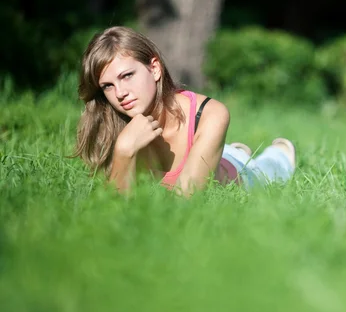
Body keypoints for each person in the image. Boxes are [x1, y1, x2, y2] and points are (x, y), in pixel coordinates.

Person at [74, 26, 296, 196]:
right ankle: (234, 150)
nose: (120, 93)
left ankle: (279, 152)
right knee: (224, 154)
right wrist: (124, 150)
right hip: (209, 154)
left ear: (154, 68)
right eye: (108, 86)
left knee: (270, 170)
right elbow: (111, 214)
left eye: (127, 75)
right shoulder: (116, 125)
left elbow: (185, 203)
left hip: (241, 178)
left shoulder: (211, 114)